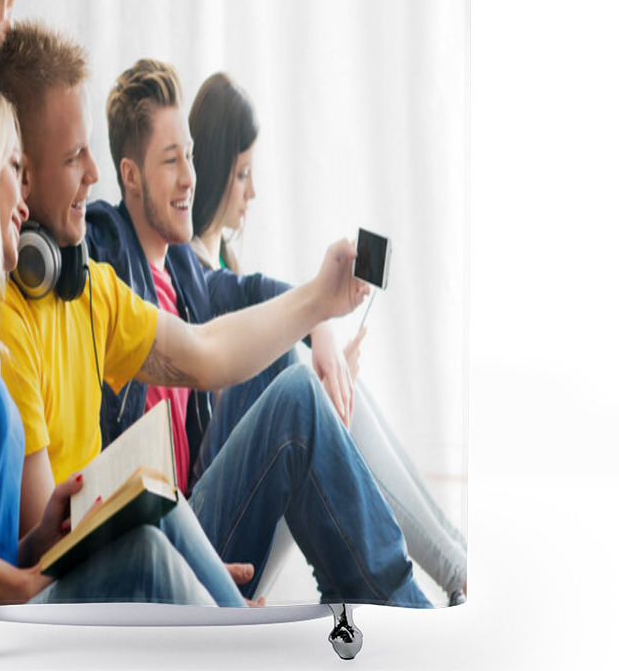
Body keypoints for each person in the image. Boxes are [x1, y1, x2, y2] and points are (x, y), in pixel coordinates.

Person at [0, 80, 241, 608]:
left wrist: (37, 541)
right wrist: (20, 585)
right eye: (14, 168)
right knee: (144, 555)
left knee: (161, 503)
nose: (24, 195)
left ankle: (242, 627)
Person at [82, 57, 432, 607]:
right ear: (130, 176)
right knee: (296, 394)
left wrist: (323, 325)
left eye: (191, 157)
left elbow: (270, 296)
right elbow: (53, 223)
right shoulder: (103, 247)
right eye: (171, 161)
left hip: (198, 514)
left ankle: (382, 590)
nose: (189, 179)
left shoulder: (188, 274)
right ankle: (402, 603)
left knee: (288, 363)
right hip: (161, 543)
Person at [188, 72, 468, 602]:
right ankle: (454, 569)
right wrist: (316, 327)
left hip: (248, 492)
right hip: (217, 517)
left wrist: (330, 361)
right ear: (213, 168)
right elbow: (263, 297)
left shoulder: (222, 263)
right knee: (294, 370)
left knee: (319, 382)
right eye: (241, 173)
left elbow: (263, 295)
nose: (252, 192)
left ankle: (457, 563)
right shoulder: (191, 270)